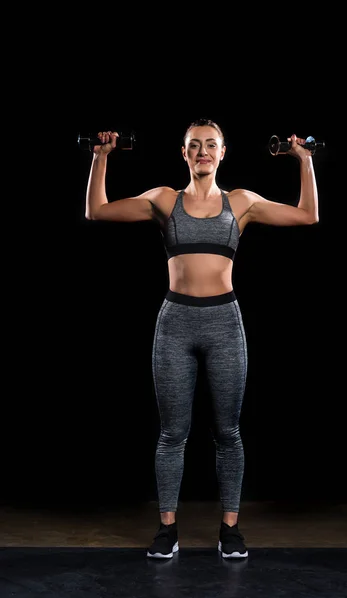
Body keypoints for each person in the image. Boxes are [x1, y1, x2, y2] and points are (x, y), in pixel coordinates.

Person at [85, 118, 319, 560]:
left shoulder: (242, 202)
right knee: (172, 433)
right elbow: (96, 210)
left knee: (228, 432)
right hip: (175, 324)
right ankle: (167, 530)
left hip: (224, 325)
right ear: (184, 153)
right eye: (195, 146)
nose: (203, 152)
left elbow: (307, 215)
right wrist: (100, 159)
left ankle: (230, 530)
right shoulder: (163, 200)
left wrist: (304, 161)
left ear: (223, 152)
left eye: (211, 145)